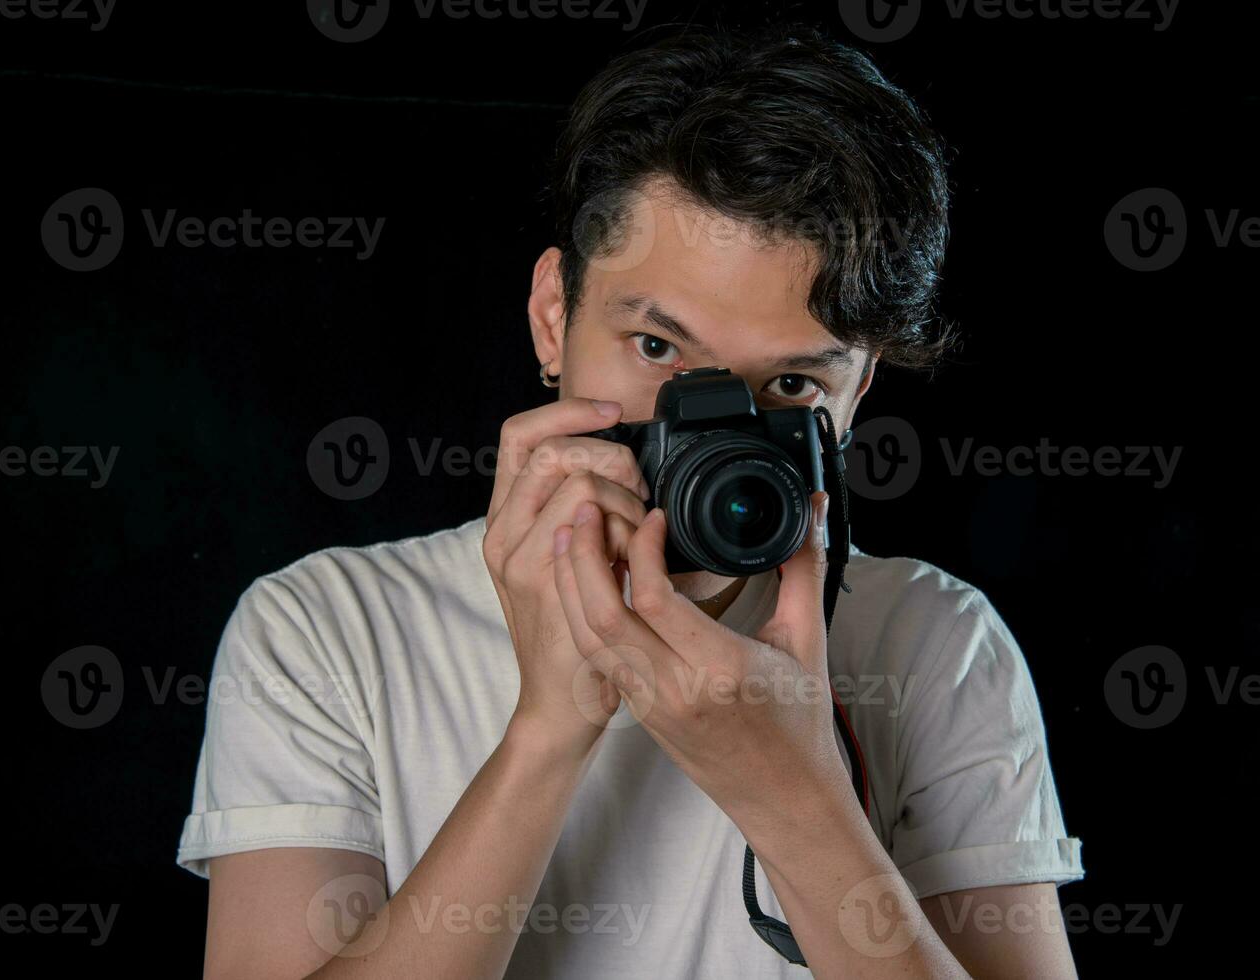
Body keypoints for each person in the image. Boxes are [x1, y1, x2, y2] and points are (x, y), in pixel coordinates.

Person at [178, 24, 1084, 979]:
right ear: (552, 317)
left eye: (791, 388)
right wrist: (548, 729)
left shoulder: (932, 645)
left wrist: (795, 792)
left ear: (856, 399)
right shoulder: (325, 631)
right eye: (658, 350)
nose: (712, 430)